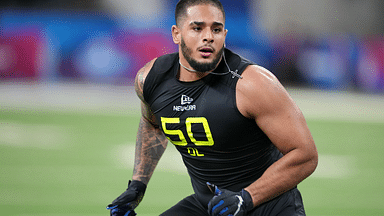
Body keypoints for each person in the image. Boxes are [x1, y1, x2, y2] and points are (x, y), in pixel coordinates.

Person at [107, 0, 318, 215]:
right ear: (176, 33)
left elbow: (305, 155)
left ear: (224, 35)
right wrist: (138, 184)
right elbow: (152, 125)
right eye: (197, 28)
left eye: (216, 29)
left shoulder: (252, 83)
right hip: (210, 204)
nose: (208, 36)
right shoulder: (151, 78)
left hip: (268, 205)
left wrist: (246, 197)